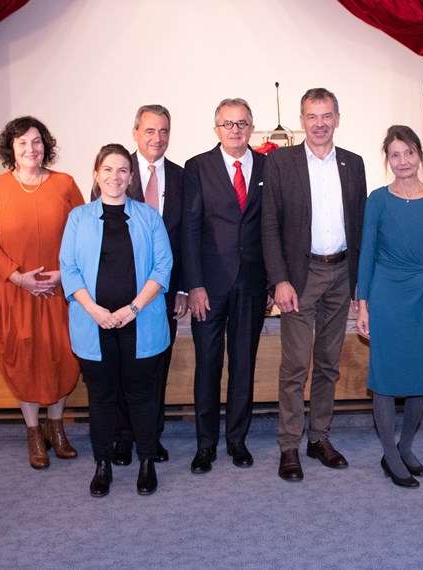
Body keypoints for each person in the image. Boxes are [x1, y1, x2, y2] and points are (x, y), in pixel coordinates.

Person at [262, 87, 367, 481]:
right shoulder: (281, 163)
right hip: (300, 278)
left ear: (337, 118)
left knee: (327, 364)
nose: (319, 123)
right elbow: (269, 226)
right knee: (294, 366)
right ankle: (289, 444)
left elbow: (358, 227)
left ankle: (319, 436)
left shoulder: (353, 164)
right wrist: (280, 281)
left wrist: (360, 284)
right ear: (301, 120)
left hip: (341, 274)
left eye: (326, 116)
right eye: (311, 116)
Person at [60, 144, 172, 497]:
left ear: (131, 176)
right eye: (108, 169)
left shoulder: (149, 216)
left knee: (141, 395)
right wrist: (94, 311)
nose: (115, 176)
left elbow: (162, 266)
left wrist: (133, 308)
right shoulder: (78, 217)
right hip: (93, 323)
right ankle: (103, 464)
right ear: (96, 174)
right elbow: (69, 268)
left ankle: (146, 462)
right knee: (102, 397)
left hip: (140, 320)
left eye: (123, 170)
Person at [0, 116, 84, 470]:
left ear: (46, 145)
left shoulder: (65, 184)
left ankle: (57, 426)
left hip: (58, 290)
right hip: (16, 292)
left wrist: (64, 276)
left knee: (61, 354)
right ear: (11, 148)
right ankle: (34, 432)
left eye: (36, 141)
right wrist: (18, 277)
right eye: (22, 143)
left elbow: (83, 232)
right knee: (23, 357)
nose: (30, 149)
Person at [356, 125, 423, 488]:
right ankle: (390, 455)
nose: (403, 161)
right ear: (387, 160)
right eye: (395, 154)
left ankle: (406, 446)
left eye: (409, 152)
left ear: (419, 155)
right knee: (384, 377)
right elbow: (366, 254)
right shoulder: (378, 200)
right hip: (387, 293)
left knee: (420, 376)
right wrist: (363, 304)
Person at [181, 98, 268, 473]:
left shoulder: (268, 165)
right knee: (209, 366)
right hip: (210, 287)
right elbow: (190, 229)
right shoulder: (197, 167)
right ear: (216, 129)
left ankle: (237, 440)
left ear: (252, 128)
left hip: (252, 283)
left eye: (242, 123)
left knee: (243, 366)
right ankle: (205, 445)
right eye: (228, 123)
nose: (235, 130)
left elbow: (270, 225)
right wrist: (194, 284)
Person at [110, 105, 188, 467]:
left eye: (164, 131)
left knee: (156, 364)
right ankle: (124, 437)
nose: (158, 139)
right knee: (125, 366)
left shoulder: (181, 175)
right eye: (150, 131)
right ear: (135, 132)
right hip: (122, 289)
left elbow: (186, 237)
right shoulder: (115, 170)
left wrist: (184, 288)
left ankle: (149, 436)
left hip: (165, 291)